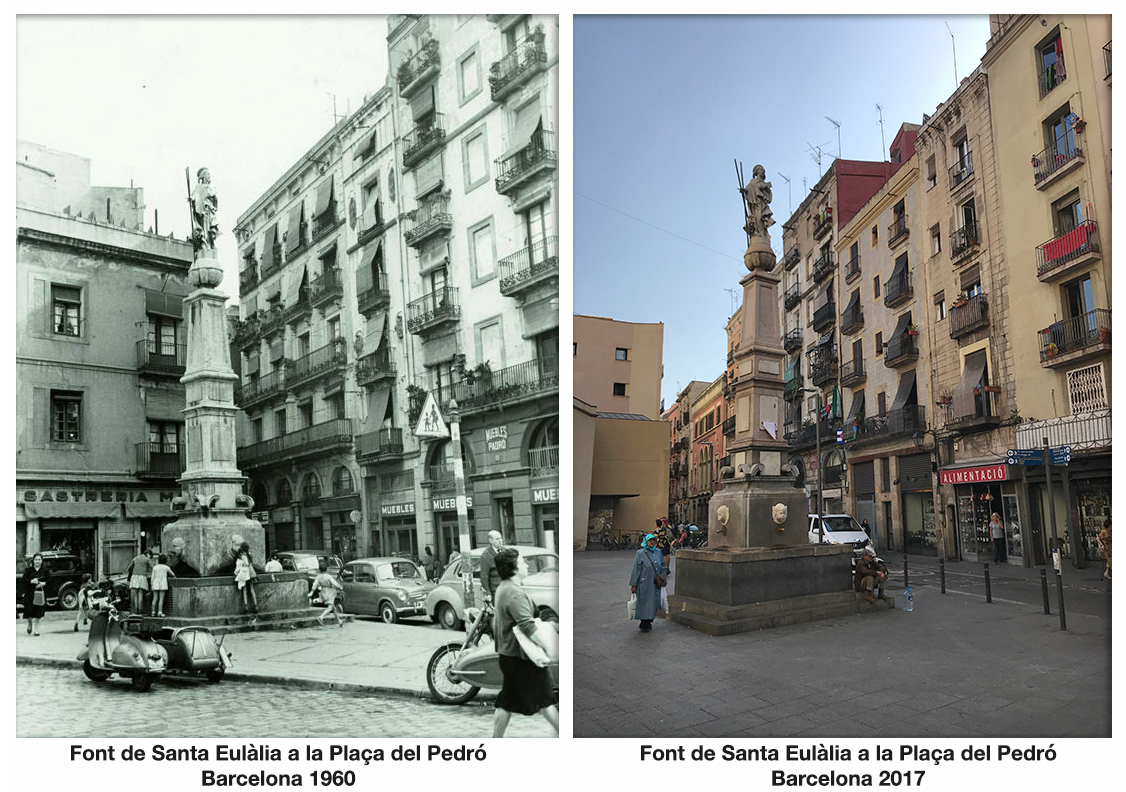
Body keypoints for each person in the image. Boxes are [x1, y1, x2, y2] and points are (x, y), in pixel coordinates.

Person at [491, 548, 559, 737]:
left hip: (510, 656)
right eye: (523, 562)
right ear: (513, 568)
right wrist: (549, 647)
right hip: (522, 659)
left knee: (507, 701)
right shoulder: (514, 593)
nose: (527, 565)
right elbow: (528, 626)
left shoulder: (504, 588)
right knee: (545, 701)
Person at [629, 534, 666, 632]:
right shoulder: (640, 553)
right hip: (644, 583)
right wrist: (634, 584)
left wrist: (663, 578)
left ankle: (649, 620)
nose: (652, 542)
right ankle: (644, 622)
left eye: (654, 540)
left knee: (654, 602)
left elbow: (662, 565)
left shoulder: (658, 552)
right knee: (645, 603)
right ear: (646, 541)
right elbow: (636, 569)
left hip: (656, 583)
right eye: (650, 540)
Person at [310, 560, 344, 627]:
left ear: (319, 569)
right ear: (327, 569)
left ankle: (339, 621)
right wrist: (340, 587)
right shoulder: (328, 576)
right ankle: (321, 617)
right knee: (330, 607)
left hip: (323, 592)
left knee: (333, 608)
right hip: (329, 592)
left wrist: (311, 592)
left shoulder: (318, 577)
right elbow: (334, 583)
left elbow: (314, 585)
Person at [22, 553, 49, 635]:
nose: (38, 561)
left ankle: (36, 630)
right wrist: (31, 581)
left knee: (38, 612)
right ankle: (30, 623)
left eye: (39, 559)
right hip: (29, 594)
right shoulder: (28, 570)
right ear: (33, 560)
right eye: (36, 559)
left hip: (40, 594)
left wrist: (43, 583)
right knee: (29, 611)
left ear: (42, 561)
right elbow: (23, 580)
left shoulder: (45, 570)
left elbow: (50, 580)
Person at [478, 530, 504, 602]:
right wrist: (488, 593)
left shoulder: (505, 551)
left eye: (500, 538)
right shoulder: (486, 555)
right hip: (495, 591)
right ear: (490, 541)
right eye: (497, 539)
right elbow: (484, 576)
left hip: (506, 588)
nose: (500, 541)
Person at [126, 549, 153, 613]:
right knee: (140, 594)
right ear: (148, 554)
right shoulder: (147, 559)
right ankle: (140, 610)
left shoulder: (135, 558)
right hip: (142, 577)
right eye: (150, 556)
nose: (150, 558)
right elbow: (153, 568)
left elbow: (128, 568)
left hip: (134, 577)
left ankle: (135, 610)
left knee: (135, 595)